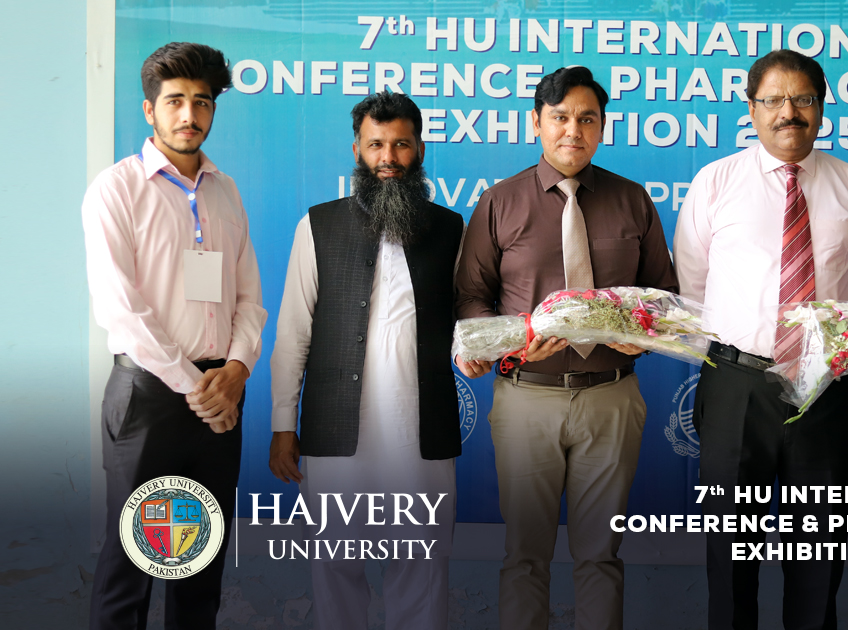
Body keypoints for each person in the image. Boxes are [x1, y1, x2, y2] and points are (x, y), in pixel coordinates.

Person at [455, 65, 678, 630]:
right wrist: (509, 348)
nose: (573, 131)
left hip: (611, 397)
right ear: (536, 122)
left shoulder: (632, 200)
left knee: (601, 553)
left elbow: (663, 296)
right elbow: (471, 295)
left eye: (587, 119)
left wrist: (641, 337)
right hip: (526, 397)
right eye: (560, 117)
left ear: (602, 126)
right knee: (524, 554)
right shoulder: (499, 201)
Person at [673, 49, 848, 629]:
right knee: (730, 555)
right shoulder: (715, 181)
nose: (788, 112)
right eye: (773, 100)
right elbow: (693, 287)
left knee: (819, 554)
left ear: (822, 107)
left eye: (803, 99)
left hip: (823, 389)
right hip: (735, 385)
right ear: (752, 108)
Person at [83, 42, 267, 629]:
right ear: (150, 109)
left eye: (202, 102)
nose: (190, 115)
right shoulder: (117, 189)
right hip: (150, 398)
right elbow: (122, 309)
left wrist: (235, 371)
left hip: (221, 394)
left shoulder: (225, 190)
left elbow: (249, 297)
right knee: (130, 564)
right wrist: (197, 387)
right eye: (175, 101)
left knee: (200, 565)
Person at [268, 91, 463, 629]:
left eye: (401, 144)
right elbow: (293, 331)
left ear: (419, 150)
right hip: (335, 431)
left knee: (422, 567)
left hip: (420, 434)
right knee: (335, 567)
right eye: (376, 144)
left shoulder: (451, 228)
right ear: (356, 149)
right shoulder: (317, 225)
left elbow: (467, 320)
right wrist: (283, 425)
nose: (388, 158)